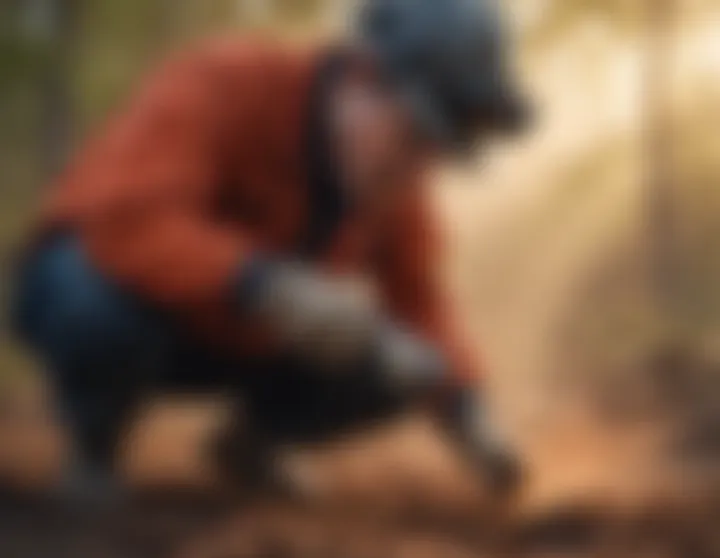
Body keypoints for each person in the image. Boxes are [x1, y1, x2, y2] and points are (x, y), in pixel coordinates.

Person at [13, 0, 531, 504]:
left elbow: (420, 305)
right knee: (96, 303)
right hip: (102, 293)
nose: (420, 167)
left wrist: (467, 411)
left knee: (404, 364)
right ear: (360, 76)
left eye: (437, 152)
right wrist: (265, 285)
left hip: (234, 341)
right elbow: (125, 221)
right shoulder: (226, 81)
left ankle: (251, 446)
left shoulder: (395, 183)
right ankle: (93, 451)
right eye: (415, 135)